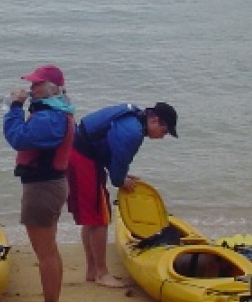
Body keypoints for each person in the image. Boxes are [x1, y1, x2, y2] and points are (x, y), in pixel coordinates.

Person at [68, 101, 178, 288]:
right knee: (100, 219)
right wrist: (121, 180)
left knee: (92, 218)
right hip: (83, 160)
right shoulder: (132, 132)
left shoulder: (134, 117)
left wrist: (121, 175)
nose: (163, 136)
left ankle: (93, 271)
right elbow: (117, 174)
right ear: (155, 120)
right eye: (165, 131)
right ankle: (102, 274)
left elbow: (109, 149)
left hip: (79, 153)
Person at [2, 64, 75, 302]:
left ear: (53, 88)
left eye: (37, 84)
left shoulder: (51, 118)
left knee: (45, 252)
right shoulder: (56, 113)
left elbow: (17, 138)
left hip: (43, 188)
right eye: (31, 84)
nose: (32, 88)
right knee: (49, 250)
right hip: (47, 185)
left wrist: (14, 108)